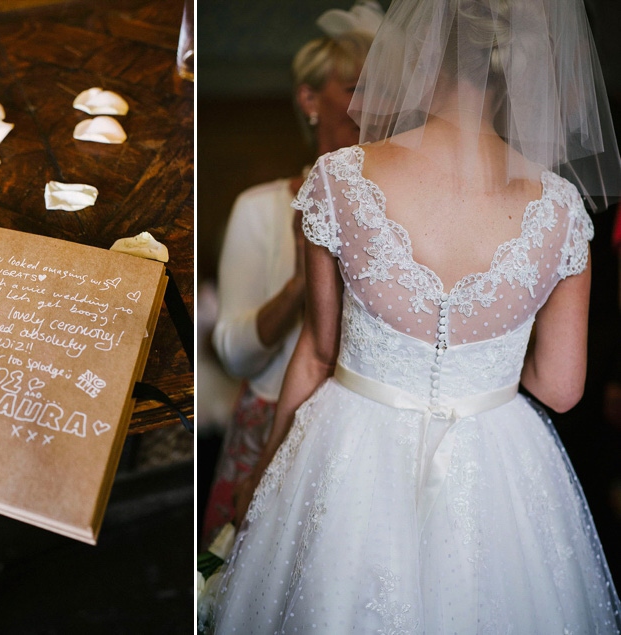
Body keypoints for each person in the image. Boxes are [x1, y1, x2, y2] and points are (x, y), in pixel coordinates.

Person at [210, 0, 621, 632]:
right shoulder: (561, 210)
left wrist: (263, 476)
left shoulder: (341, 179)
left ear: (419, 53)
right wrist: (485, 366)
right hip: (497, 467)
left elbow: (318, 353)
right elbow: (561, 390)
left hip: (347, 454)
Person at [203, 4, 382, 546]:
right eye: (355, 87)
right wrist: (307, 276)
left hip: (370, 437)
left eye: (384, 90)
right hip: (272, 427)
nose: (372, 105)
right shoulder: (259, 209)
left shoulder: (404, 214)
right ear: (309, 99)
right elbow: (235, 354)